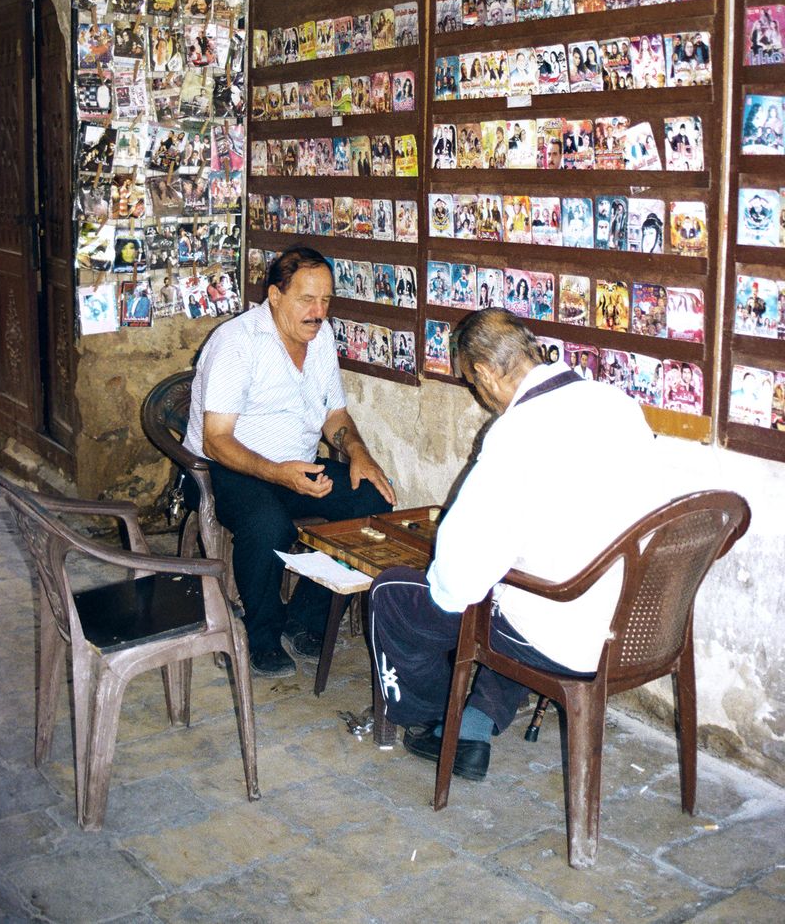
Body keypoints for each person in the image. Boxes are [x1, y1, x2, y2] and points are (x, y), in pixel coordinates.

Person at [368, 310, 661, 781]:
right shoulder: (615, 402)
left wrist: (448, 580)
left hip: (564, 633)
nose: (479, 395)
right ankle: (476, 722)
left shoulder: (514, 433)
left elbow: (457, 580)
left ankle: (434, 725)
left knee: (394, 593)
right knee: (513, 594)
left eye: (472, 383)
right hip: (636, 621)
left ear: (484, 373)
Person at [185, 246, 396, 677]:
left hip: (295, 466)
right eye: (307, 300)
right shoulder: (238, 343)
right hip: (228, 467)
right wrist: (279, 474)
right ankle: (261, 633)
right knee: (268, 523)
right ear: (275, 296)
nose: (319, 312)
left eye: (326, 301)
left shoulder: (321, 339)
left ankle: (305, 618)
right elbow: (216, 440)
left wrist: (358, 453)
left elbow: (333, 415)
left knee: (372, 499)